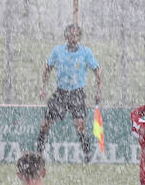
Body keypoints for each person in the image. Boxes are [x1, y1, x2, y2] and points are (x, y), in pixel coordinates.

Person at [35, 23, 104, 163]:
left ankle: (87, 156)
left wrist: (99, 90)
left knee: (80, 125)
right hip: (61, 93)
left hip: (76, 93)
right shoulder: (58, 51)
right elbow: (47, 69)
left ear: (79, 37)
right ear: (66, 36)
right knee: (45, 123)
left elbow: (97, 71)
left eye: (76, 35)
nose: (73, 37)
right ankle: (38, 154)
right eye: (71, 35)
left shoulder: (85, 53)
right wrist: (43, 88)